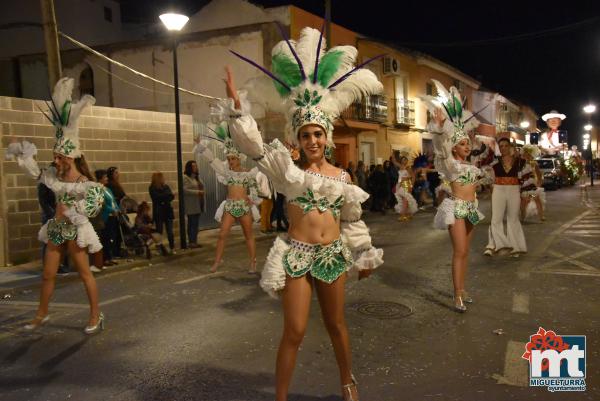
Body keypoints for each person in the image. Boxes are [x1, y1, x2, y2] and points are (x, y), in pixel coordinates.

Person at [227, 26, 384, 401]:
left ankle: (348, 381)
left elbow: (351, 220)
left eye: (318, 134)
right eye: (305, 135)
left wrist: (363, 254)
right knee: (294, 331)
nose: (312, 141)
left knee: (336, 325)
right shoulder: (287, 171)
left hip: (331, 255)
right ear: (297, 139)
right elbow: (254, 149)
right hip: (297, 256)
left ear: (326, 136)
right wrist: (238, 109)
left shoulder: (343, 177)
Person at [6, 77, 105, 334]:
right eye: (55, 156)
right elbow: (35, 173)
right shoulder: (54, 175)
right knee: (48, 275)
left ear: (70, 157)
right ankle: (41, 314)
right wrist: (20, 151)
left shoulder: (83, 182)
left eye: (59, 157)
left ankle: (96, 315)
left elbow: (95, 203)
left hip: (75, 230)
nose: (55, 159)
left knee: (85, 274)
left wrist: (78, 211)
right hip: (57, 229)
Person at [421, 79, 486, 313]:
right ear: (454, 147)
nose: (466, 146)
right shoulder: (449, 164)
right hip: (456, 208)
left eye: (467, 142)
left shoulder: (471, 167)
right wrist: (439, 128)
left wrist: (478, 186)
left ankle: (462, 288)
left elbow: (474, 187)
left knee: (466, 252)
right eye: (461, 143)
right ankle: (457, 294)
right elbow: (439, 147)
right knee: (459, 252)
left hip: (471, 208)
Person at [193, 122, 263, 273]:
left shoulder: (248, 173)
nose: (230, 162)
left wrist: (253, 198)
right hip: (230, 206)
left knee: (248, 235)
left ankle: (253, 262)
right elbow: (212, 161)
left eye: (233, 159)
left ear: (239, 159)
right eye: (229, 159)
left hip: (244, 207)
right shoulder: (226, 173)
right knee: (222, 234)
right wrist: (201, 146)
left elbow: (255, 188)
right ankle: (217, 262)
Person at [484, 138, 527, 257]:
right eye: (501, 146)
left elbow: (527, 177)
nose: (503, 148)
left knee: (513, 218)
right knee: (496, 218)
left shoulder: (520, 161)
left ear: (510, 147)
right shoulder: (494, 162)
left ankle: (515, 247)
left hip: (514, 190)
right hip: (498, 189)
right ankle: (492, 246)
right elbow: (487, 176)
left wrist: (527, 193)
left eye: (505, 145)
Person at [94, 169, 119, 269]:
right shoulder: (98, 190)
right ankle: (104, 259)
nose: (107, 178)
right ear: (100, 179)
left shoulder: (108, 189)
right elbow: (102, 204)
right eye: (105, 177)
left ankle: (110, 257)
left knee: (111, 237)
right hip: (106, 216)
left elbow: (113, 200)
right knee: (105, 238)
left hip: (113, 216)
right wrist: (111, 210)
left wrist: (117, 209)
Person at [148, 172, 175, 254]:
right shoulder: (152, 188)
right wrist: (165, 196)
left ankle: (172, 247)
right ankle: (160, 248)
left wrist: (165, 197)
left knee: (170, 231)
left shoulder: (166, 186)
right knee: (159, 231)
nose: (164, 179)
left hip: (167, 211)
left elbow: (171, 196)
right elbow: (157, 198)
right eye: (162, 177)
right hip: (159, 212)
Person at [519, 145, 545, 222]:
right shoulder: (520, 164)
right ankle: (523, 217)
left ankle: (541, 216)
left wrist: (539, 184)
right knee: (523, 202)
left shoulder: (534, 163)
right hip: (523, 186)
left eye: (528, 154)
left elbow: (539, 174)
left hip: (532, 186)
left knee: (536, 198)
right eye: (525, 154)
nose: (526, 156)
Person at [183, 160, 204, 248]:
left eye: (196, 166)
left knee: (196, 224)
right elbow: (184, 190)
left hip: (198, 203)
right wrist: (197, 192)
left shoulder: (196, 177)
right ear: (189, 167)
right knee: (191, 223)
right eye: (194, 166)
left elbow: (201, 185)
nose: (196, 168)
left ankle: (194, 241)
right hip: (191, 204)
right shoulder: (185, 178)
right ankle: (191, 241)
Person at [106, 166, 126, 258]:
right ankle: (113, 251)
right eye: (116, 173)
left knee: (118, 232)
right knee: (114, 232)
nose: (118, 175)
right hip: (113, 211)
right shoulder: (110, 185)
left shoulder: (117, 184)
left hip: (119, 209)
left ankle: (117, 250)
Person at [391, 155, 418, 221]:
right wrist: (393, 154)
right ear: (401, 161)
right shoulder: (400, 166)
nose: (404, 161)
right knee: (403, 200)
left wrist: (411, 186)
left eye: (405, 160)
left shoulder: (408, 168)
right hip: (400, 185)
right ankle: (407, 214)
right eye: (403, 159)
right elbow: (394, 162)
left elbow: (413, 177)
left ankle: (403, 215)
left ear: (407, 161)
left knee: (406, 199)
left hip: (406, 185)